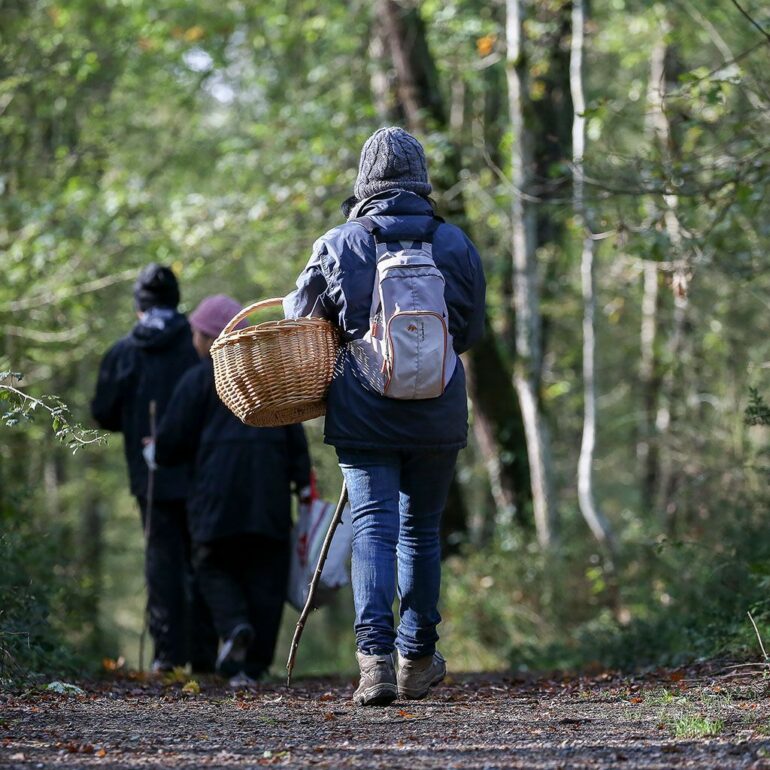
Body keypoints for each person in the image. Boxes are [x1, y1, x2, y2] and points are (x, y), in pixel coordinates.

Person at [284, 127, 486, 706]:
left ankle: (374, 662)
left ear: (365, 182)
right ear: (421, 180)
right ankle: (417, 656)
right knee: (421, 530)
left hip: (364, 409)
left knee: (374, 528)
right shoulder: (455, 244)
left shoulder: (340, 242)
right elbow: (470, 332)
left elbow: (302, 319)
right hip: (438, 408)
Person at [151, 294, 312, 686]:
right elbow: (294, 434)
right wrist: (302, 482)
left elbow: (171, 443)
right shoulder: (271, 374)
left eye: (196, 333)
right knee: (266, 578)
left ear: (208, 337)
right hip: (269, 497)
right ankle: (253, 667)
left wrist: (156, 450)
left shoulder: (199, 379)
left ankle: (234, 625)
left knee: (211, 565)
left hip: (214, 498)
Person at [91, 263, 217, 673]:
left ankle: (167, 654)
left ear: (138, 307)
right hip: (199, 473)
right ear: (176, 300)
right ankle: (204, 654)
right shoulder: (197, 344)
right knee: (201, 560)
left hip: (150, 478)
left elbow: (103, 414)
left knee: (161, 560)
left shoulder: (123, 352)